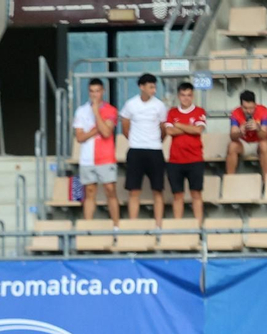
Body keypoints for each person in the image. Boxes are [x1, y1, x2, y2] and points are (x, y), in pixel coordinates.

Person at [119, 73, 168, 228]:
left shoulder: (159, 105)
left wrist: (155, 141)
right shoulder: (130, 104)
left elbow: (163, 129)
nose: (153, 90)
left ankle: (158, 225)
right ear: (141, 87)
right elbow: (125, 127)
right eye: (150, 87)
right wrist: (135, 140)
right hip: (136, 150)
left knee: (158, 190)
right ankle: (133, 226)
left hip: (155, 150)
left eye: (154, 87)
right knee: (134, 190)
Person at [72, 77, 119, 227]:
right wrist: (95, 130)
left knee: (110, 190)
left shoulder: (110, 110)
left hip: (106, 157)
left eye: (98, 91)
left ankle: (116, 227)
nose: (94, 94)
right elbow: (79, 137)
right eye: (92, 91)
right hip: (87, 158)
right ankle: (87, 229)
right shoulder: (80, 110)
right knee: (90, 192)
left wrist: (96, 112)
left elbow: (106, 132)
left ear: (103, 92)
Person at [163, 81, 206, 226]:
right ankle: (178, 228)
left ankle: (199, 227)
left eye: (189, 95)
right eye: (183, 95)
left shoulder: (199, 111)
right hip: (175, 160)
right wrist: (190, 128)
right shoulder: (172, 112)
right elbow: (169, 131)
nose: (186, 98)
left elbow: (198, 130)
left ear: (192, 96)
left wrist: (180, 126)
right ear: (179, 96)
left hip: (195, 159)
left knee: (196, 194)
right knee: (178, 195)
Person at [226, 90, 267, 180]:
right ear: (241, 106)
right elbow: (232, 137)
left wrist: (258, 128)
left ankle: (266, 181)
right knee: (232, 146)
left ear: (255, 105)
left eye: (251, 108)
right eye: (245, 108)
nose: (248, 111)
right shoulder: (235, 113)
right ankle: (230, 181)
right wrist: (240, 132)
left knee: (264, 144)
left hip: (262, 142)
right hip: (245, 143)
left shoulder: (263, 111)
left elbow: (265, 135)